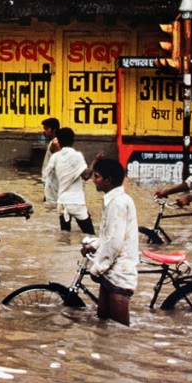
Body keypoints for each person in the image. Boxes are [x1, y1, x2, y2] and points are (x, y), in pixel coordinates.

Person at [83, 158, 138, 327]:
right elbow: (108, 236)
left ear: (108, 180)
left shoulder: (118, 203)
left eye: (97, 177)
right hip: (111, 270)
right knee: (104, 324)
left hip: (119, 272)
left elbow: (114, 243)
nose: (93, 180)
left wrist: (97, 268)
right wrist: (94, 245)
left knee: (119, 332)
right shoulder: (113, 200)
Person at [43, 127, 97, 235]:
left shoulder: (55, 157)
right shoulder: (76, 156)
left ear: (58, 140)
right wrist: (96, 160)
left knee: (65, 237)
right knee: (90, 235)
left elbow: (47, 175)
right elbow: (86, 176)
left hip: (62, 202)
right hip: (76, 201)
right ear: (73, 140)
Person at [40, 117, 62, 203]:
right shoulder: (54, 142)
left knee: (50, 203)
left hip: (49, 179)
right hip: (48, 179)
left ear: (54, 130)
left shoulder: (55, 143)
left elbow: (63, 158)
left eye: (46, 129)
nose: (44, 132)